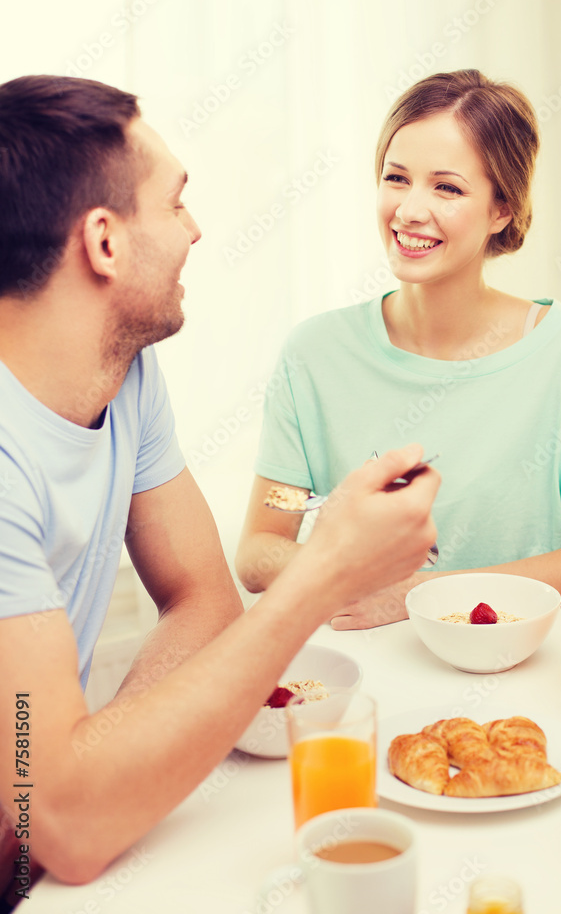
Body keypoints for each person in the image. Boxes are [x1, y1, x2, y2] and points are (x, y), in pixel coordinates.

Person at [0, 75, 440, 895]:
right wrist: (324, 571)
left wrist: (100, 760)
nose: (196, 232)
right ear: (104, 242)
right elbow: (61, 824)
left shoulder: (123, 367)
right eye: (174, 205)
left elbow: (203, 597)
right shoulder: (311, 354)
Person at [236, 69, 561, 629]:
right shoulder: (315, 355)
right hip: (364, 669)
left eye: (446, 187)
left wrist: (414, 595)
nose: (409, 211)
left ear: (502, 209)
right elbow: (260, 546)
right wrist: (345, 575)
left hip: (516, 673)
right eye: (396, 178)